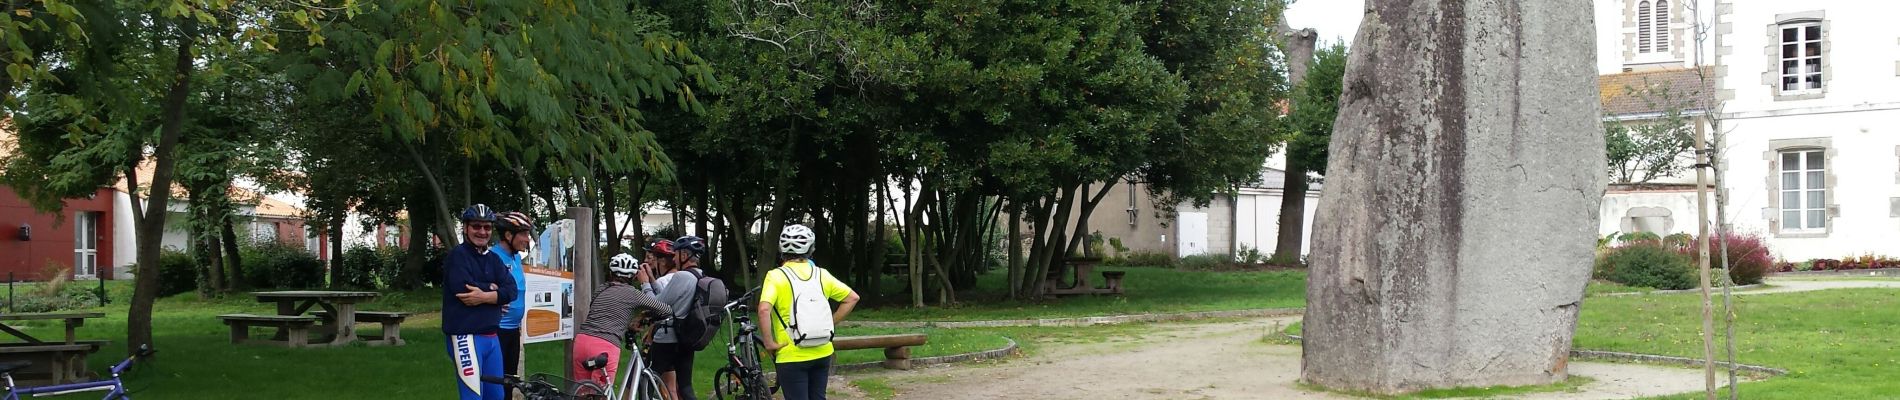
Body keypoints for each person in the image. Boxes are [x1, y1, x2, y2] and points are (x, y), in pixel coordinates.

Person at [758, 224, 859, 400]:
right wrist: (830, 323)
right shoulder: (821, 274)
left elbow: (764, 309)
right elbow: (852, 298)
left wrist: (769, 343)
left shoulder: (776, 276)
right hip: (823, 351)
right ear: (811, 249)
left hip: (790, 353)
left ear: (782, 249)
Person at [442, 204, 519, 400]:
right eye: (476, 226)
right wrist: (494, 292)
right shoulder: (458, 256)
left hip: (492, 337)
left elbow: (511, 290)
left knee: (496, 395)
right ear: (466, 228)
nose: (482, 232)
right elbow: (464, 290)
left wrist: (485, 296)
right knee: (473, 396)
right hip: (465, 337)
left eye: (487, 227)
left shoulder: (493, 258)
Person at [573, 254, 673, 390]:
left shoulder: (601, 289)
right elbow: (665, 310)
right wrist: (646, 284)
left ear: (611, 273)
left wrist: (629, 323)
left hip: (582, 341)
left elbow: (605, 315)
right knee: (601, 393)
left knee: (582, 392)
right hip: (605, 345)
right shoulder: (633, 294)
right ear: (633, 276)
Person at [638, 235, 708, 400]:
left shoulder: (681, 276)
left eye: (676, 254)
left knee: (646, 381)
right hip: (686, 338)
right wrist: (653, 281)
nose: (674, 258)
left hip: (667, 339)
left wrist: (644, 283)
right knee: (685, 387)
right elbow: (668, 297)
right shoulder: (699, 275)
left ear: (684, 255)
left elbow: (655, 305)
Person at [492, 211, 536, 400]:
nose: (527, 239)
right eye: (524, 234)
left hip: (513, 331)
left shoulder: (516, 258)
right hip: (497, 330)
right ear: (508, 235)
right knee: (497, 384)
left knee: (510, 382)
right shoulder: (493, 256)